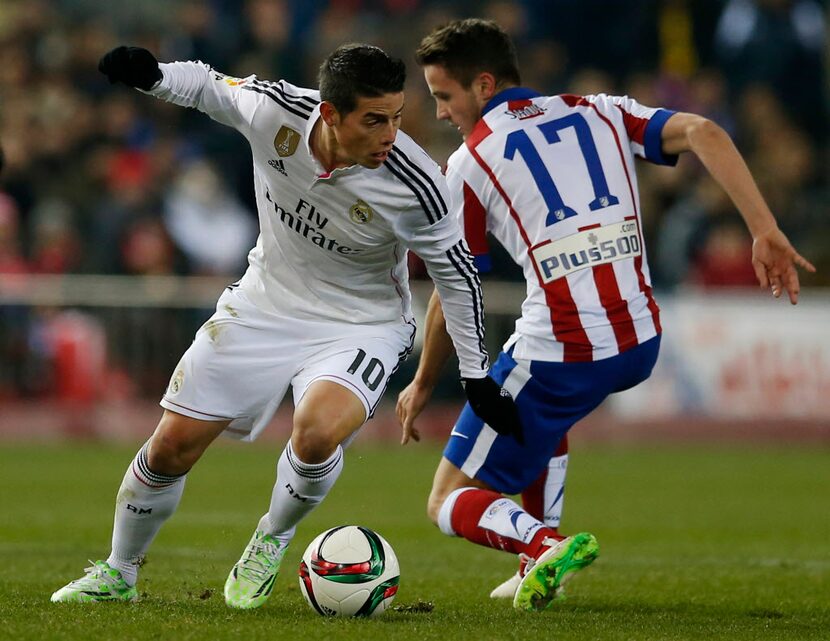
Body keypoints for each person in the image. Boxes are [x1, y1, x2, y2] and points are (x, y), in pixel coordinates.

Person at [51, 42, 520, 608]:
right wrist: (153, 77)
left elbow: (458, 277)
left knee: (317, 431)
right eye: (374, 121)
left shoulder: (417, 185)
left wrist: (475, 376)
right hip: (264, 305)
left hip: (361, 323)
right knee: (169, 449)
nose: (390, 135)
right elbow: (206, 85)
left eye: (396, 117)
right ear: (329, 113)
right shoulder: (276, 112)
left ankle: (271, 538)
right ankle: (118, 573)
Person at [397, 18, 816, 612]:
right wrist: (764, 229)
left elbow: (455, 284)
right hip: (640, 339)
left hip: (563, 346)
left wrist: (419, 382)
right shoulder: (600, 110)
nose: (440, 113)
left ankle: (546, 545)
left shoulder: (470, 162)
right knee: (546, 421)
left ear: (485, 85)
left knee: (445, 500)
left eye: (444, 96)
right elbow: (703, 131)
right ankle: (538, 570)